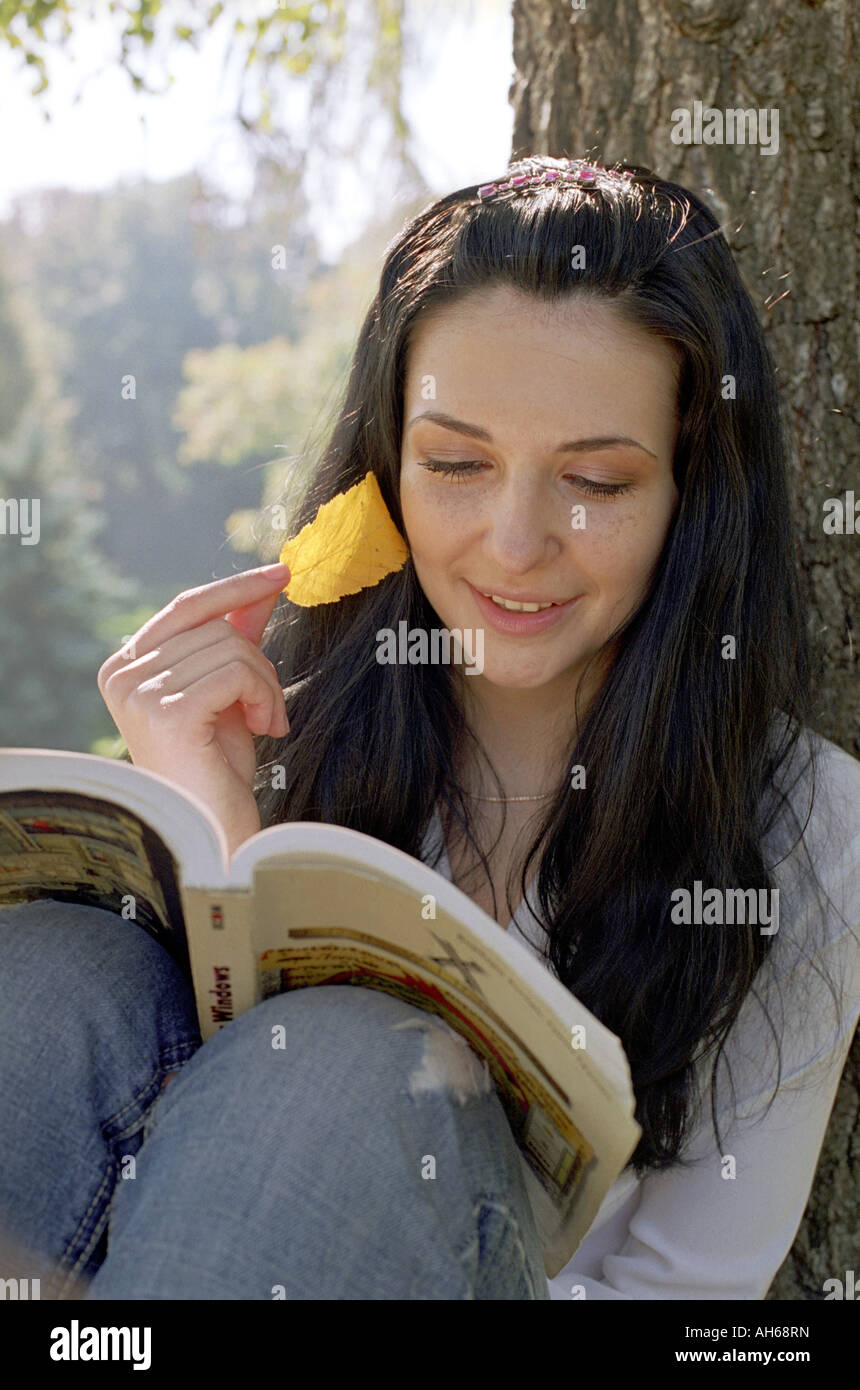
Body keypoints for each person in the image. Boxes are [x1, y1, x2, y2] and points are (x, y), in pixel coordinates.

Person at [1, 155, 857, 1300]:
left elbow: (685, 1302)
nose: (512, 542)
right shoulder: (278, 731)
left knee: (345, 1072)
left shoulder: (810, 831)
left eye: (594, 482)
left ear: (690, 494)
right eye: (455, 463)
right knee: (53, 976)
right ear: (385, 471)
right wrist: (212, 820)